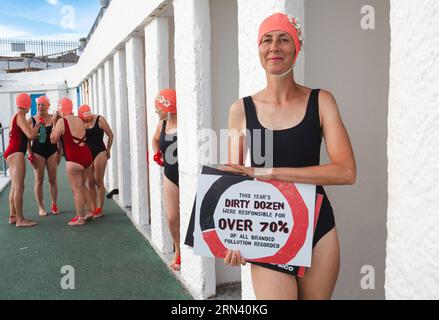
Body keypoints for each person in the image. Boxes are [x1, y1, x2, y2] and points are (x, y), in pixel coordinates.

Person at [222, 13, 356, 300]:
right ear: (259, 49)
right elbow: (232, 181)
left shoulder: (322, 101)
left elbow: (346, 172)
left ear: (296, 48)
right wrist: (232, 236)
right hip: (265, 227)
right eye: (266, 40)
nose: (275, 47)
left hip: (318, 226)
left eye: (284, 39)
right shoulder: (240, 110)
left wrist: (273, 172)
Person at [50, 98, 94, 226]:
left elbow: (53, 139)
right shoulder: (79, 119)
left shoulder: (62, 122)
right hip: (86, 156)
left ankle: (80, 217)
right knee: (83, 186)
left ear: (61, 108)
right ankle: (89, 211)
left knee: (76, 189)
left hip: (74, 158)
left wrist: (54, 123)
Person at [151, 89, 181, 271]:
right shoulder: (162, 123)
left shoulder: (184, 123)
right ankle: (178, 250)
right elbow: (155, 140)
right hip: (170, 174)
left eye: (158, 107)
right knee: (171, 218)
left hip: (187, 174)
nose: (156, 111)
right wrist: (157, 154)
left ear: (168, 107)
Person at [4, 93, 40, 227]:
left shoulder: (15, 116)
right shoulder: (20, 116)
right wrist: (38, 126)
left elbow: (24, 134)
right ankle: (20, 220)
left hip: (11, 152)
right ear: (27, 105)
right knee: (20, 187)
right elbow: (30, 135)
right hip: (16, 153)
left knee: (15, 186)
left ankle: (13, 216)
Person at [27, 96, 61, 217]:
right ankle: (41, 207)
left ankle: (54, 204)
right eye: (38, 105)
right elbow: (27, 139)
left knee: (52, 179)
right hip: (38, 152)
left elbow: (59, 137)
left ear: (48, 106)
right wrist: (30, 154)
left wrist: (60, 152)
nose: (40, 107)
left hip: (52, 151)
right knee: (39, 180)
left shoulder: (54, 119)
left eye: (42, 105)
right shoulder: (31, 120)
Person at [78, 104, 113, 219]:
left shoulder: (99, 119)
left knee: (99, 181)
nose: (86, 121)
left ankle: (100, 208)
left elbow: (110, 135)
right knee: (90, 183)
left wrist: (108, 149)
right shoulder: (80, 122)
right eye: (84, 120)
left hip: (100, 152)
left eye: (87, 119)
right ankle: (93, 208)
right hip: (87, 153)